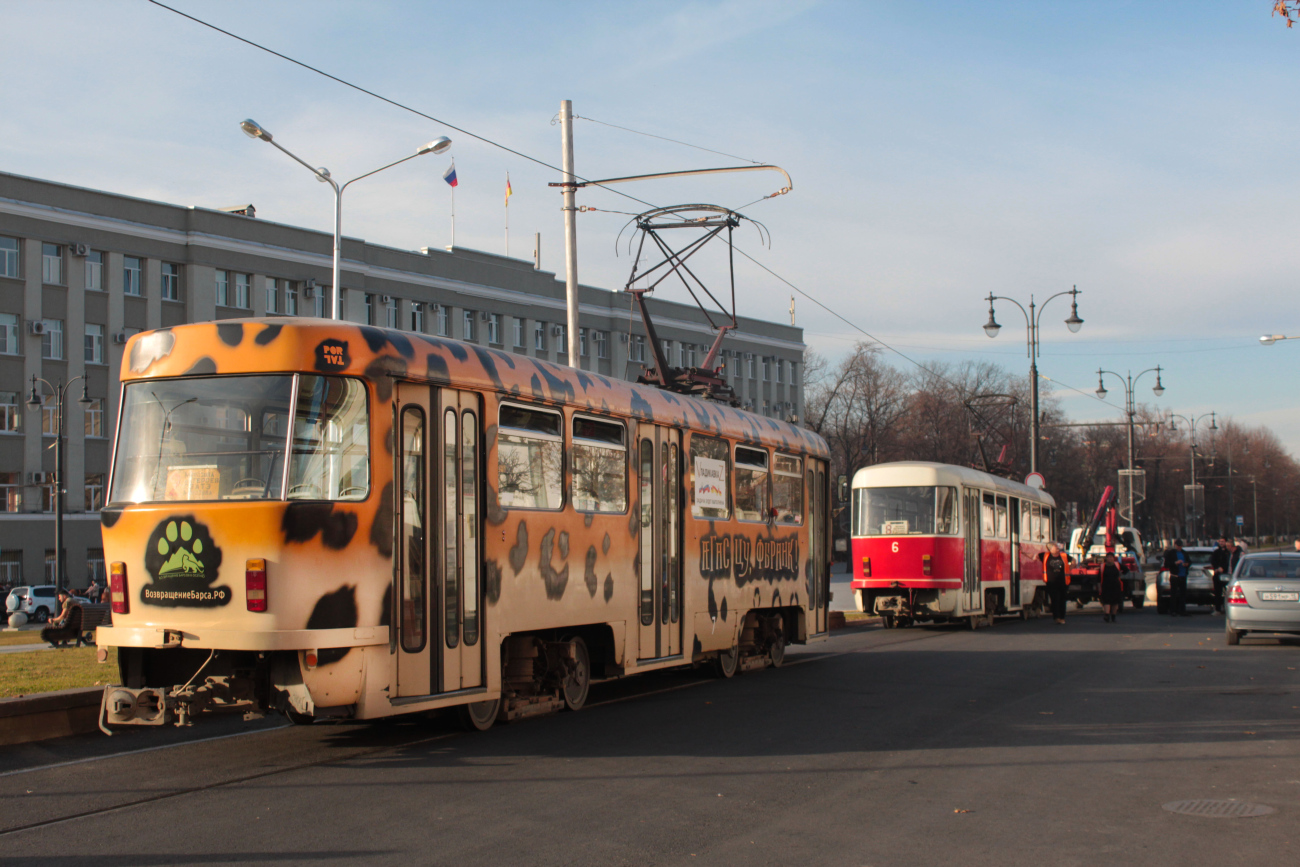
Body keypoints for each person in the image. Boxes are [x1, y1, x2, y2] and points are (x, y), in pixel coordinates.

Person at [1041, 541, 1071, 624]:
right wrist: (1023, 552)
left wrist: (1070, 568)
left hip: (1063, 583)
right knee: (1055, 600)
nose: (1058, 548)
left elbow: (1073, 560)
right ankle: (1057, 617)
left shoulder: (1064, 555)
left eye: (1057, 547)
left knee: (1062, 600)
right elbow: (1033, 557)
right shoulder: (1045, 556)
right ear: (1050, 549)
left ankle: (1062, 617)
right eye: (1056, 547)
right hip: (1051, 583)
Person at [1163, 539, 1190, 616]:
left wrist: (1187, 564)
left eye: (1180, 546)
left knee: (1183, 594)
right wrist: (1175, 563)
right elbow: (1166, 564)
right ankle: (1173, 610)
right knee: (1174, 594)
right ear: (1175, 545)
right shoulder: (1171, 553)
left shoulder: (1184, 553)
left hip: (1183, 575)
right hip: (1175, 576)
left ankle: (1182, 610)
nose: (1179, 547)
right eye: (1178, 546)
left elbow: (1189, 561)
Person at [1099, 552, 1124, 622]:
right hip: (1106, 586)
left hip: (1116, 586)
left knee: (1115, 602)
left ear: (1113, 558)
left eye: (1111, 557)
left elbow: (1126, 570)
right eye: (1108, 557)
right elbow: (1099, 577)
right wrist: (1099, 586)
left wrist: (1121, 574)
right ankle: (1107, 615)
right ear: (1106, 558)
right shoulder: (1103, 566)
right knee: (1106, 601)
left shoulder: (1117, 565)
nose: (1109, 558)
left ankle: (1113, 616)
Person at [1209, 538, 1232, 614]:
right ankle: (1217, 609)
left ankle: (1227, 608)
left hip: (1227, 574)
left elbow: (1229, 562)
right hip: (1217, 574)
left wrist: (1223, 568)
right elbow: (1212, 561)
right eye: (1220, 541)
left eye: (1223, 541)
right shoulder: (1216, 552)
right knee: (1217, 592)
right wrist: (1217, 568)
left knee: (1228, 592)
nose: (1221, 543)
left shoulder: (1228, 552)